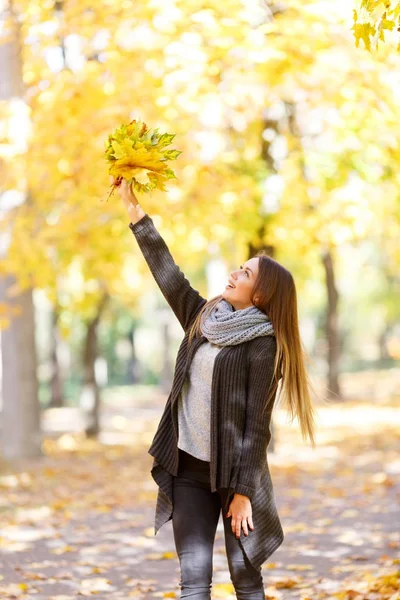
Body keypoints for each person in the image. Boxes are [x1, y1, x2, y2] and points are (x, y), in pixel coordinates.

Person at [114, 177, 317, 600]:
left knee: (245, 581)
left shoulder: (264, 346)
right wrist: (135, 213)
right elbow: (170, 278)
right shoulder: (205, 318)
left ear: (261, 295)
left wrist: (242, 494)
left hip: (237, 476)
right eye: (240, 267)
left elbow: (256, 427)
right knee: (193, 585)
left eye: (245, 273)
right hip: (188, 469)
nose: (234, 272)